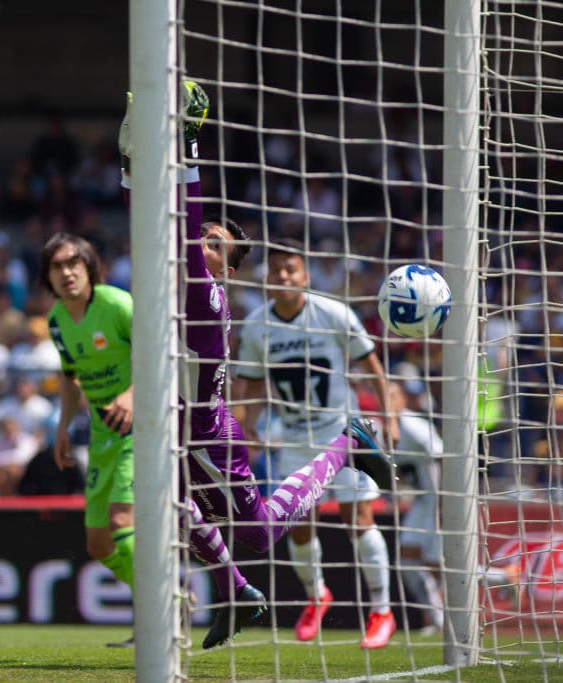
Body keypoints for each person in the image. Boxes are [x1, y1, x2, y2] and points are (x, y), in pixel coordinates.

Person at [118, 83, 392, 650]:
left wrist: (185, 146)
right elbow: (153, 230)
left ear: (229, 269)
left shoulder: (201, 295)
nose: (202, 245)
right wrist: (130, 165)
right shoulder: (169, 286)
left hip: (206, 434)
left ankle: (348, 442)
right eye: (204, 239)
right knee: (171, 511)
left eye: (216, 245)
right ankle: (237, 588)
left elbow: (173, 224)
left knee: (260, 532)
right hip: (171, 430)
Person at [235, 237, 399, 649]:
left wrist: (389, 416)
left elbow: (372, 365)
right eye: (277, 271)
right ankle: (317, 596)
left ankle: (382, 612)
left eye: (292, 269)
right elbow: (252, 383)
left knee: (358, 521)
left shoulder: (333, 313)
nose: (284, 276)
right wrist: (246, 428)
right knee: (298, 529)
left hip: (342, 437)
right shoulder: (257, 324)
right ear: (267, 279)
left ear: (306, 276)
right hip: (293, 440)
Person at [39, 232, 136, 646]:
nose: (66, 272)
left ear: (89, 266)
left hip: (141, 428)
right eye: (57, 266)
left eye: (73, 263)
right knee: (98, 544)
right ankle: (169, 602)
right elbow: (69, 376)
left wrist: (132, 395)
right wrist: (62, 427)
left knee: (120, 522)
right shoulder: (57, 320)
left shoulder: (116, 303)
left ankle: (163, 612)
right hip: (101, 435)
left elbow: (160, 349)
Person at [387, 380, 444, 634]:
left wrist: (447, 503)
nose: (386, 400)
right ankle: (436, 619)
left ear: (402, 401)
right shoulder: (384, 427)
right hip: (421, 503)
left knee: (439, 565)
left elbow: (443, 457)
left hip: (437, 500)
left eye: (392, 396)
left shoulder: (414, 426)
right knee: (411, 562)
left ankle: (503, 577)